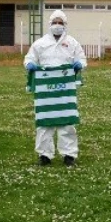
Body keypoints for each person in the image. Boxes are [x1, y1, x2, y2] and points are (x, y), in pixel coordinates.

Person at [24, 9, 87, 166]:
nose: (57, 25)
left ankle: (69, 155)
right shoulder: (40, 43)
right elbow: (29, 58)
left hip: (65, 89)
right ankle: (45, 155)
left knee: (67, 123)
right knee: (45, 122)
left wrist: (80, 65)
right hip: (45, 90)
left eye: (60, 23)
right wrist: (30, 65)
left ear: (65, 25)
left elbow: (82, 58)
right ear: (49, 24)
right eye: (54, 22)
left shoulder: (72, 43)